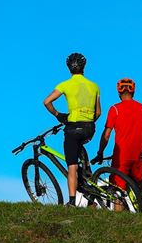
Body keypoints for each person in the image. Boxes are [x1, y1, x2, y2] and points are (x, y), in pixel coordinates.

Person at [43, 52, 101, 206]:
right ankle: (87, 174)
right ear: (84, 67)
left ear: (69, 68)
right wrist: (88, 121)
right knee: (80, 145)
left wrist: (58, 115)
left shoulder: (65, 85)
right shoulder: (94, 86)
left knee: (72, 165)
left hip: (73, 128)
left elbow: (47, 101)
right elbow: (99, 113)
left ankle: (72, 201)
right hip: (90, 128)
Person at [92, 78, 142, 211]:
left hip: (122, 156)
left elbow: (106, 135)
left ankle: (119, 222)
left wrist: (100, 152)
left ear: (119, 92)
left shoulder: (115, 109)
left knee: (118, 191)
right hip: (139, 155)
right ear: (133, 91)